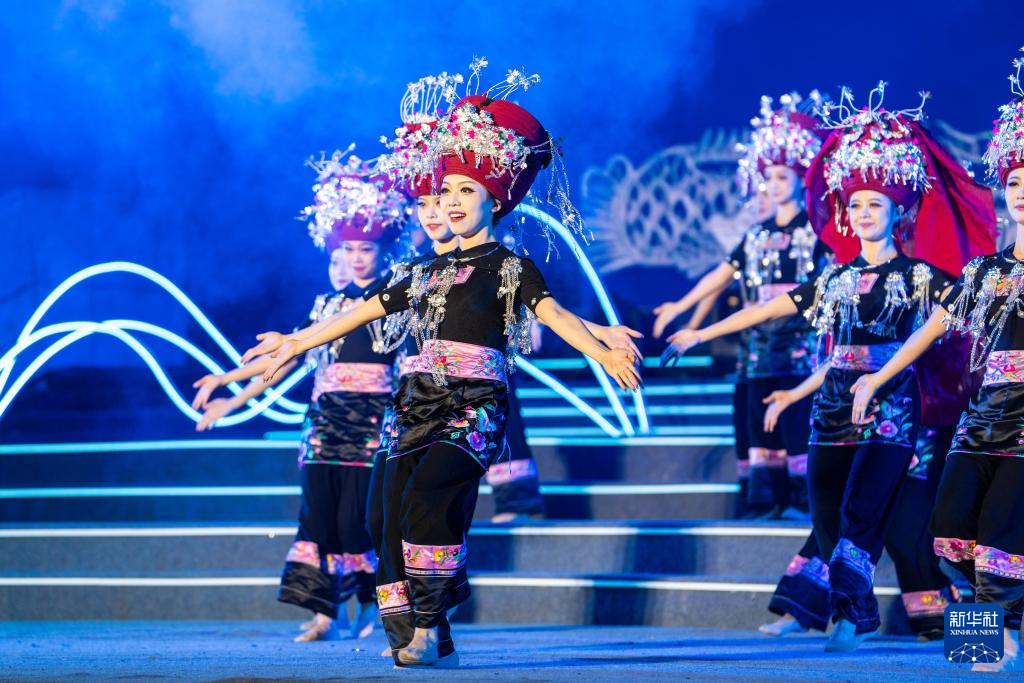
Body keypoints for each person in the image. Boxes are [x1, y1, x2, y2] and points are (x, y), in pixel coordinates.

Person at [243, 77, 640, 668]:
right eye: (444, 189)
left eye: (465, 190)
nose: (451, 200)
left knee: (430, 498)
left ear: (494, 201)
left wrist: (602, 352)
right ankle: (429, 636)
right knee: (382, 515)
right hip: (412, 404)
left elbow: (553, 315)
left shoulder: (510, 266)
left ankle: (428, 629)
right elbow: (361, 312)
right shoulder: (421, 271)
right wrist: (295, 341)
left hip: (474, 406)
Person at [668, 83, 995, 652]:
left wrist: (885, 375)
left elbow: (970, 309)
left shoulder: (918, 276)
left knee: (878, 517)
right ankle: (873, 615)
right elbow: (766, 310)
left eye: (876, 205)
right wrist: (701, 333)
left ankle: (910, 622)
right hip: (831, 409)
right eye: (857, 205)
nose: (864, 214)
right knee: (828, 521)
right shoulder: (834, 279)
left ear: (899, 212)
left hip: (893, 411)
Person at [193, 153, 413, 642]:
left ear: (382, 250)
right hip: (324, 422)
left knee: (357, 519)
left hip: (371, 422)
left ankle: (372, 606)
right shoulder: (326, 306)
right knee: (316, 518)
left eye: (366, 248)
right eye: (348, 249)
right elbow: (285, 358)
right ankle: (324, 614)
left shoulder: (393, 299)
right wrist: (228, 388)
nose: (357, 258)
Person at [848, 61, 1024, 671]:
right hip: (982, 418)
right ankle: (1000, 627)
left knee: (1001, 533)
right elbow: (930, 330)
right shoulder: (984, 271)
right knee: (951, 533)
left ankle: (993, 642)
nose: (1021, 192)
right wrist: (878, 376)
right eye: (1014, 182)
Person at [654, 93, 830, 520]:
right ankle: (767, 500)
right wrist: (680, 305)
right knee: (758, 419)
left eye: (783, 176)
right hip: (758, 344)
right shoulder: (755, 235)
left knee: (796, 418)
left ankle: (802, 501)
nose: (774, 184)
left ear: (801, 178)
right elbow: (720, 276)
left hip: (801, 342)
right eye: (768, 177)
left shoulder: (818, 231)